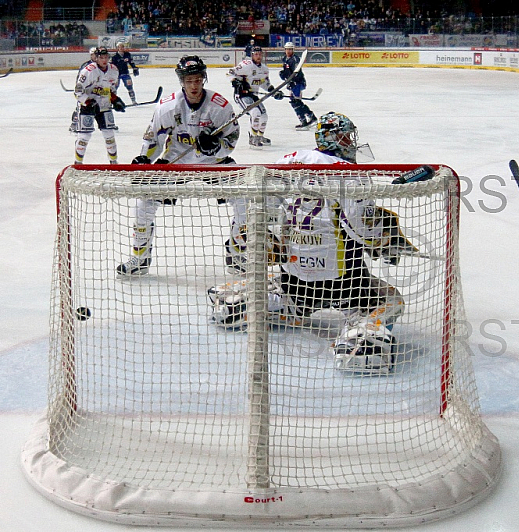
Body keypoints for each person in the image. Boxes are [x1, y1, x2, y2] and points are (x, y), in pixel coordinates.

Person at [207, 112, 412, 374]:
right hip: (343, 283)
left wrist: (273, 241)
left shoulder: (288, 161)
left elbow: (263, 211)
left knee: (285, 285)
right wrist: (387, 240)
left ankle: (243, 303)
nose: (350, 142)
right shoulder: (350, 174)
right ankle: (361, 343)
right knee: (391, 299)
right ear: (333, 138)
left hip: (295, 278)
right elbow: (361, 228)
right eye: (346, 136)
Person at [116, 56, 242, 276]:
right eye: (189, 80)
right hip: (175, 163)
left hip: (213, 164)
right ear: (181, 81)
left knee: (245, 200)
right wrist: (145, 158)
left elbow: (231, 139)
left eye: (197, 79)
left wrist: (215, 148)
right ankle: (140, 258)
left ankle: (237, 252)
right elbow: (152, 137)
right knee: (144, 204)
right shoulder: (168, 106)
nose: (194, 85)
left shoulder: (219, 106)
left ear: (203, 79)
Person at [73, 47, 126, 164]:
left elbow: (110, 89)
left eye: (106, 57)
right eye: (101, 58)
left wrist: (115, 100)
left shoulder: (113, 70)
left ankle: (113, 162)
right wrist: (88, 102)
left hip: (104, 106)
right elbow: (77, 92)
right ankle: (78, 163)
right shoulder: (88, 71)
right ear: (96, 58)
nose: (104, 60)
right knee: (84, 136)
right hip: (88, 107)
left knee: (109, 134)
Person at [227, 45, 279, 149]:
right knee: (255, 113)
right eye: (256, 54)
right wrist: (236, 82)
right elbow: (230, 72)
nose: (258, 56)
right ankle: (252, 138)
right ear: (252, 55)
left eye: (260, 54)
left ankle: (259, 136)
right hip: (241, 95)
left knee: (264, 116)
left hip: (253, 95)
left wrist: (273, 91)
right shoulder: (246, 65)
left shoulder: (264, 69)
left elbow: (265, 84)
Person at [281, 42, 317, 130]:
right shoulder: (286, 59)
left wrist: (291, 79)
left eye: (290, 49)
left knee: (295, 102)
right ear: (285, 50)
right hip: (292, 84)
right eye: (287, 49)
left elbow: (296, 73)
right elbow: (288, 72)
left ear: (293, 50)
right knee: (296, 102)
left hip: (298, 83)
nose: (288, 51)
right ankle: (311, 117)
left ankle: (304, 121)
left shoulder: (295, 59)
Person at [69, 47, 97, 133]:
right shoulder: (86, 66)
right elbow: (80, 78)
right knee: (80, 106)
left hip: (96, 91)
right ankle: (74, 123)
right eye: (93, 55)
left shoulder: (100, 65)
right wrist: (79, 89)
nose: (95, 56)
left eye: (96, 54)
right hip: (85, 90)